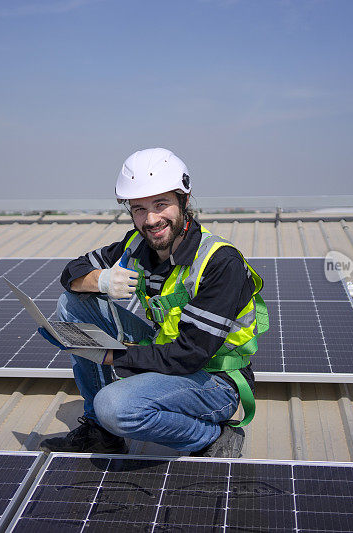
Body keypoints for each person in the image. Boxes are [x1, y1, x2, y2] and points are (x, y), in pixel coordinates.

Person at [39, 147, 268, 457]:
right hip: (166, 349)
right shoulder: (136, 243)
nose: (150, 219)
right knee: (72, 304)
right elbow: (72, 272)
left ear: (184, 201)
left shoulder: (219, 262)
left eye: (161, 204)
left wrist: (109, 355)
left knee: (115, 406)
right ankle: (101, 434)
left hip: (214, 378)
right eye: (138, 208)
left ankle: (211, 438)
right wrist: (100, 281)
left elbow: (189, 356)